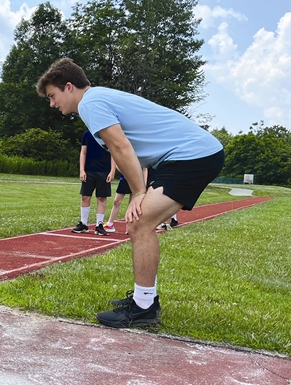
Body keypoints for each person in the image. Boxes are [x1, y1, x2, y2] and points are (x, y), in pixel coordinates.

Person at [37, 57, 224, 328]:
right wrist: (142, 188)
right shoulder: (97, 99)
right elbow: (133, 152)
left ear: (69, 86)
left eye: (53, 96)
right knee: (140, 223)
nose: (52, 104)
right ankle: (145, 300)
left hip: (192, 156)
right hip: (184, 157)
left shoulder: (90, 103)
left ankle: (144, 308)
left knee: (139, 222)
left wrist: (138, 193)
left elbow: (121, 147)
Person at [74, 130, 116, 236]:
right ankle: (83, 223)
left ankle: (99, 225)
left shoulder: (109, 133)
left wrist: (112, 171)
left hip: (104, 171)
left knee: (101, 197)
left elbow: (113, 153)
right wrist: (82, 170)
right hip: (89, 170)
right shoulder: (87, 134)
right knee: (85, 196)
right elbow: (83, 152)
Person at [104, 168, 148, 234]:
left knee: (132, 204)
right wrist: (126, 172)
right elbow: (118, 165)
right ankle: (110, 224)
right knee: (116, 201)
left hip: (136, 181)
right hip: (124, 179)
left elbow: (145, 169)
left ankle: (129, 226)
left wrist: (144, 184)